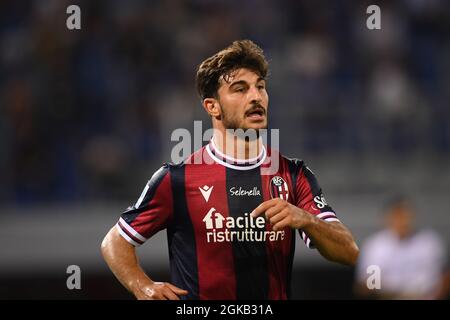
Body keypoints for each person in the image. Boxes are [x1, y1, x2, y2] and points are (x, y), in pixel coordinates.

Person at [101, 40, 359, 300]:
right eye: (240, 89)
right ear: (212, 106)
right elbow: (115, 241)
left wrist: (306, 219)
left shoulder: (293, 175)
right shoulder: (177, 179)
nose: (256, 96)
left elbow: (349, 251)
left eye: (260, 87)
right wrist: (142, 285)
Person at [355, 196, 450, 299]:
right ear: (387, 218)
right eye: (398, 216)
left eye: (406, 216)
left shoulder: (430, 242)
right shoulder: (376, 246)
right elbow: (368, 285)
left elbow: (445, 276)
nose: (403, 221)